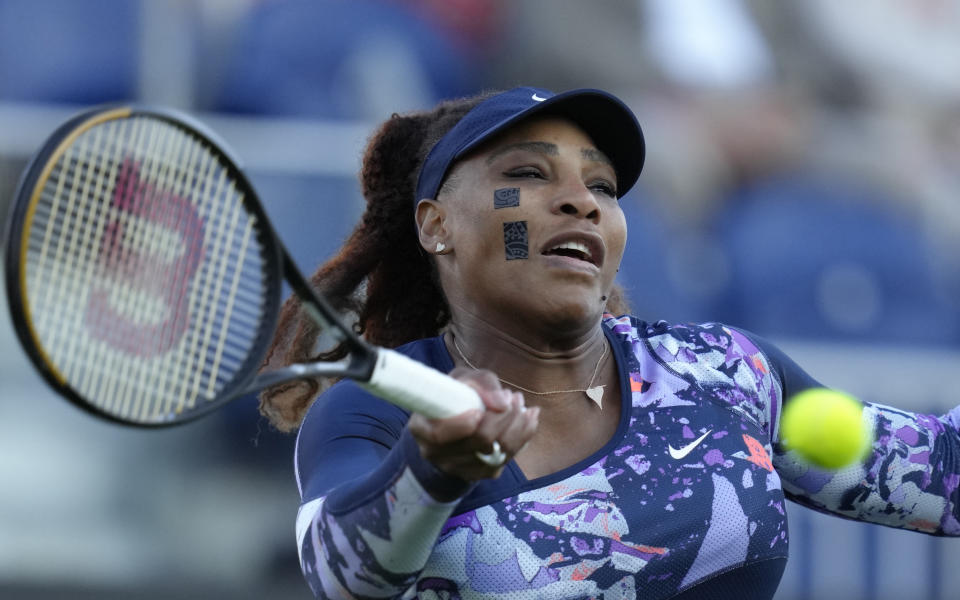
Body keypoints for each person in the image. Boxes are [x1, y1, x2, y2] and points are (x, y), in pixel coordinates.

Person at [259, 87, 960, 599]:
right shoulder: (368, 413)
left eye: (603, 185)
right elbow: (340, 575)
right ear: (437, 225)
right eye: (527, 175)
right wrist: (430, 468)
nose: (583, 200)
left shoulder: (719, 372)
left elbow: (946, 480)